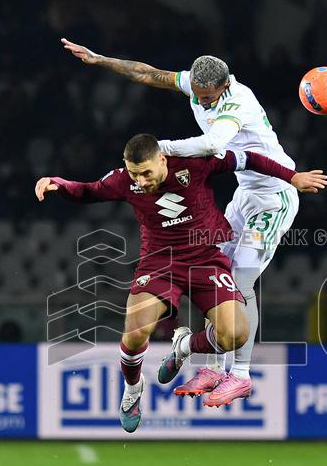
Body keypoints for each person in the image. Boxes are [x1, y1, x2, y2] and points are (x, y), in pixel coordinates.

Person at [61, 38, 309, 405]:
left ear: (225, 86)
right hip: (245, 193)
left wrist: (162, 149)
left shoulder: (238, 102)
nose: (202, 102)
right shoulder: (196, 85)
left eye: (207, 98)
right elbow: (148, 74)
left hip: (274, 199)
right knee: (221, 274)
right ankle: (212, 365)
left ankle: (240, 375)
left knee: (241, 279)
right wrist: (101, 59)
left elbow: (212, 145)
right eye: (197, 95)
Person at [35, 133, 326, 431]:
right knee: (135, 332)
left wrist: (292, 177)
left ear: (162, 159)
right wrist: (58, 183)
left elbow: (248, 158)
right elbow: (89, 191)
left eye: (146, 173)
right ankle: (133, 389)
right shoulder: (124, 180)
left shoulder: (195, 163)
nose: (141, 181)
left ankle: (184, 345)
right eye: (135, 174)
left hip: (206, 258)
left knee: (236, 334)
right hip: (160, 262)